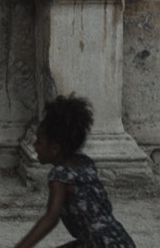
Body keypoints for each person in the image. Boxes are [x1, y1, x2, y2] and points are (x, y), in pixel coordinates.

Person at [14, 95, 136, 248]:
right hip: (120, 240)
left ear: (54, 149)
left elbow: (51, 218)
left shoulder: (60, 176)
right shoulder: (85, 164)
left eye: (39, 141)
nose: (34, 146)